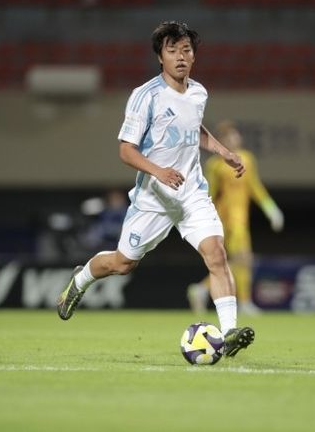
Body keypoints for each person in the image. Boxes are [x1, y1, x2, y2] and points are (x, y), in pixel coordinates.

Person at [57, 21, 254, 357]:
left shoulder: (199, 92)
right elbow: (126, 150)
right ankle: (81, 279)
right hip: (154, 198)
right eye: (172, 50)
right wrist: (159, 172)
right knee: (122, 264)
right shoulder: (145, 96)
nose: (181, 56)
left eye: (186, 50)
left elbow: (195, 128)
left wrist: (222, 151)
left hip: (191, 193)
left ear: (194, 56)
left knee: (217, 254)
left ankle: (228, 333)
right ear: (160, 57)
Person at [187, 120, 284, 315]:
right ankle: (242, 301)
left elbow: (255, 187)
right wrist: (203, 217)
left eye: (235, 134)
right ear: (220, 141)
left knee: (240, 260)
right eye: (228, 136)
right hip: (226, 219)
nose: (233, 138)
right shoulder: (215, 165)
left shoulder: (247, 158)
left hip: (241, 219)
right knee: (243, 259)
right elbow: (210, 192)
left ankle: (203, 290)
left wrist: (271, 208)